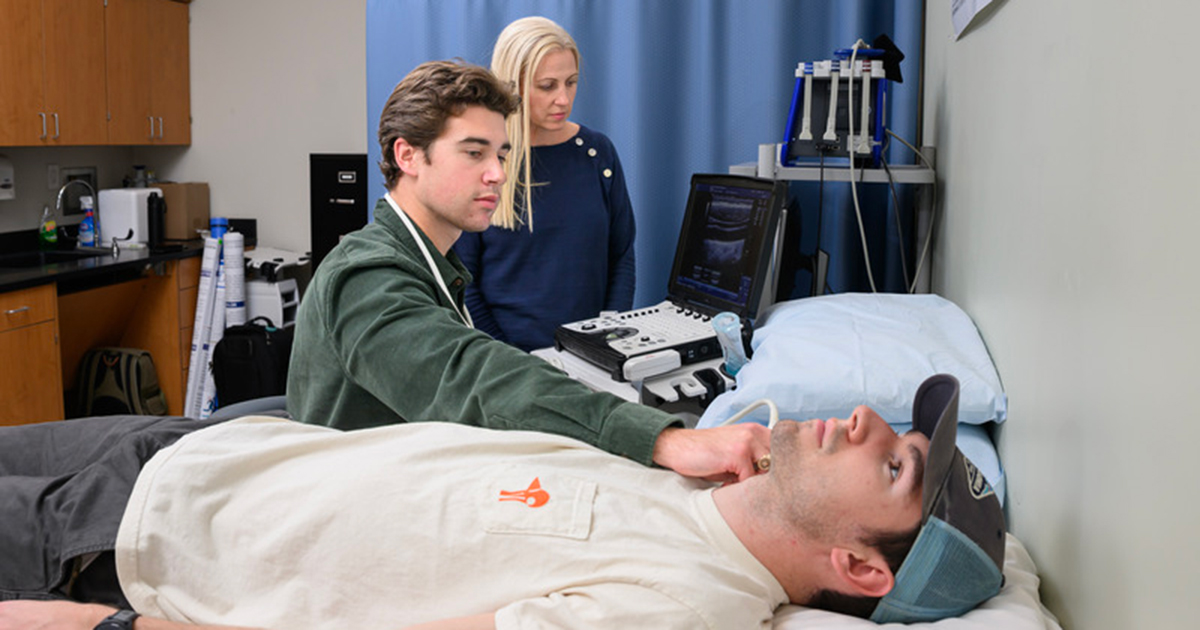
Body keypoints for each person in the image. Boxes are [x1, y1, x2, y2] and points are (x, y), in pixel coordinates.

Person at [0, 375, 1006, 630]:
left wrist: (116, 627)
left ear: (861, 568)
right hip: (201, 451)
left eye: (894, 467)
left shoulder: (678, 604)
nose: (869, 417)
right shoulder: (709, 488)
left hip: (117, 544)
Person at [287, 59, 766, 483]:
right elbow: (470, 377)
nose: (497, 172)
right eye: (474, 153)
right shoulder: (368, 276)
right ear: (407, 155)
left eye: (500, 153)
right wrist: (668, 442)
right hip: (366, 504)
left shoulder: (430, 262)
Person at [453, 16, 637, 351]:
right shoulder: (485, 161)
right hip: (508, 364)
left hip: (592, 357)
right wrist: (512, 362)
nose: (564, 99)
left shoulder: (598, 154)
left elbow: (621, 255)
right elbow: (463, 280)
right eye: (548, 86)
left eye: (571, 82)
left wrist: (608, 337)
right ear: (513, 86)